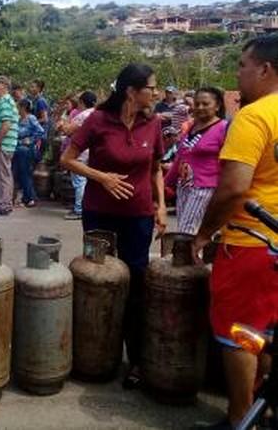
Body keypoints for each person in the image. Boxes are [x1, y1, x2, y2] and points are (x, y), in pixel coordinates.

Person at [60, 63, 167, 389]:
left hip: (138, 216)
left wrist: (161, 207)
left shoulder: (154, 123)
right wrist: (101, 177)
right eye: (151, 87)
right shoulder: (97, 120)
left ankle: (134, 359)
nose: (156, 92)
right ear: (131, 91)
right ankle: (93, 354)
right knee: (97, 280)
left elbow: (157, 168)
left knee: (135, 284)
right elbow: (68, 159)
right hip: (99, 213)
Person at [192, 36, 278, 429]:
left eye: (243, 65)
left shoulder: (255, 116)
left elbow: (233, 188)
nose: (238, 73)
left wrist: (203, 233)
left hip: (251, 242)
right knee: (267, 330)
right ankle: (264, 406)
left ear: (265, 69)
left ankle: (241, 417)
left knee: (239, 333)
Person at [165, 87, 228, 235]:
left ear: (217, 106)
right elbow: (180, 158)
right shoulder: (191, 127)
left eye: (205, 104)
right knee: (187, 230)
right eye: (197, 104)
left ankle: (187, 258)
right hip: (184, 187)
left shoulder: (224, 128)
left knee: (187, 233)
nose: (200, 108)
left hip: (205, 188)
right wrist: (165, 184)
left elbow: (229, 163)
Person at [63, 91, 97, 221]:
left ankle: (79, 209)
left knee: (79, 181)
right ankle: (86, 206)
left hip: (80, 151)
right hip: (93, 152)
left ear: (82, 103)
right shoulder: (97, 114)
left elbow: (68, 130)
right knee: (88, 180)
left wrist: (63, 124)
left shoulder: (83, 115)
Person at [0, 75, 19, 216]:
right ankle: (3, 202)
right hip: (7, 144)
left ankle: (4, 204)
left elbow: (6, 124)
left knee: (3, 174)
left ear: (4, 86)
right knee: (3, 173)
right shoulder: (5, 101)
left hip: (4, 144)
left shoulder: (5, 101)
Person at [12, 98, 45, 208]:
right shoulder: (18, 119)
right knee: (17, 173)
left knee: (25, 173)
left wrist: (30, 140)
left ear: (23, 108)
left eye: (18, 107)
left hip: (26, 150)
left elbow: (40, 131)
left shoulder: (31, 118)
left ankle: (30, 198)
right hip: (17, 149)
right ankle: (20, 197)